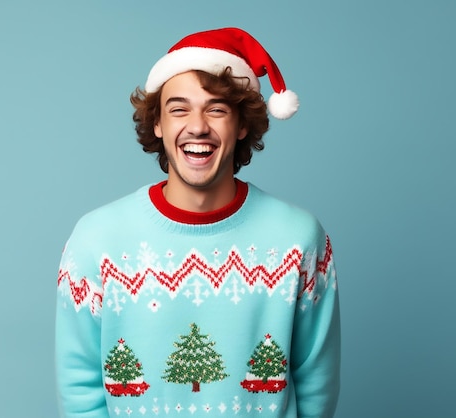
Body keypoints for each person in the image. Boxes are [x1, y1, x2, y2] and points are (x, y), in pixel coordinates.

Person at [56, 27, 340, 418]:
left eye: (217, 109)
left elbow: (316, 380)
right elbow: (80, 386)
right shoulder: (96, 240)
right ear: (158, 124)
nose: (197, 125)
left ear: (241, 125)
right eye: (179, 109)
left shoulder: (299, 238)